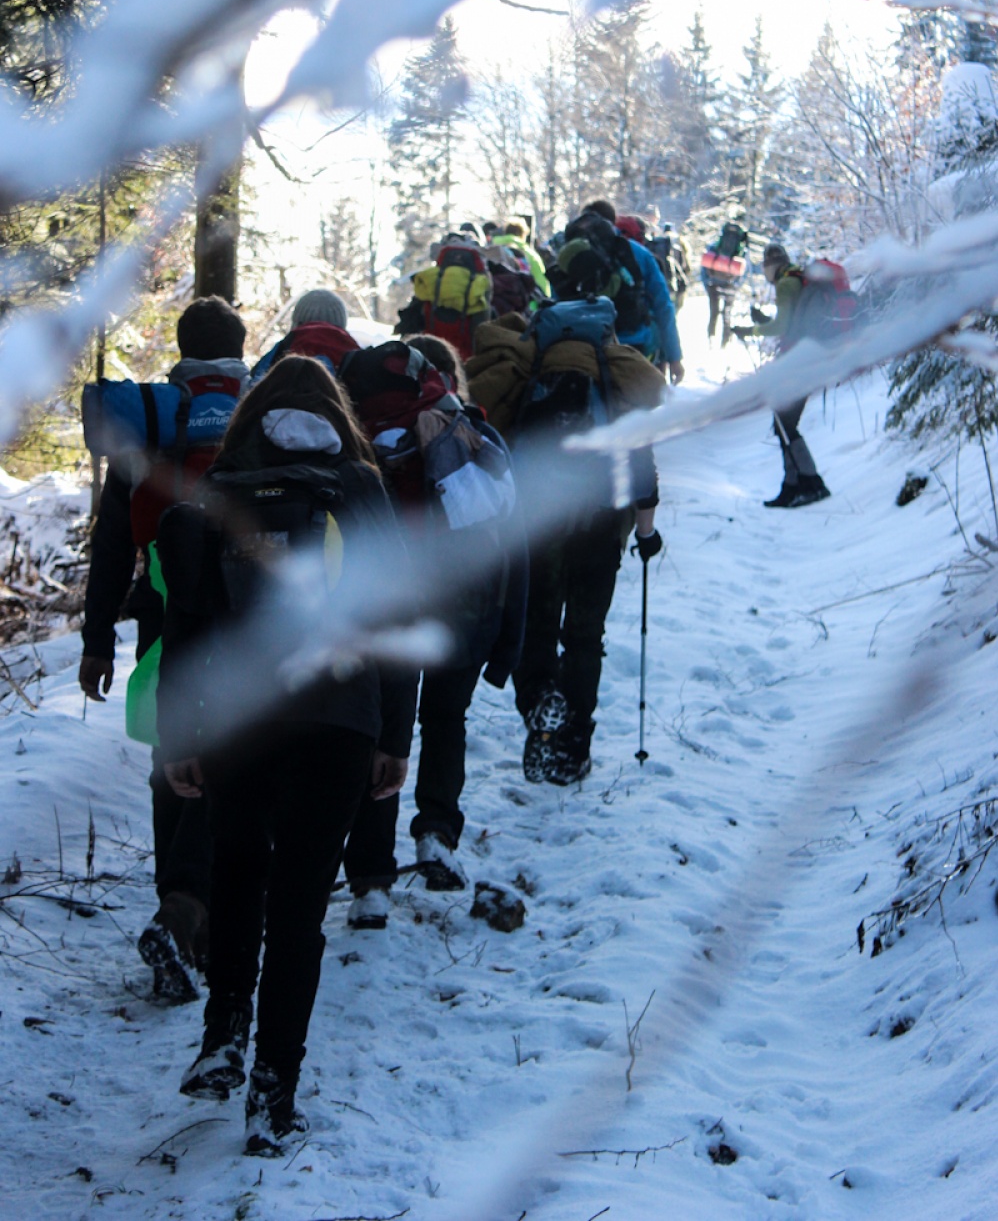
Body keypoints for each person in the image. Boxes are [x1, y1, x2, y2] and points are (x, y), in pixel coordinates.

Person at [156, 355, 416, 1156]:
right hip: (338, 721)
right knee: (299, 909)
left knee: (238, 875)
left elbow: (188, 626)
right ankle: (274, 1096)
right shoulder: (359, 486)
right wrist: (392, 739)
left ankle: (224, 1033)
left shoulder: (224, 486)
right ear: (334, 415)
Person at [79, 295, 248, 1002]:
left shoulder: (149, 423)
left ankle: (177, 910)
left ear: (181, 348)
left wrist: (97, 644)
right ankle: (187, 917)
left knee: (170, 757)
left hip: (163, 617)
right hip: (243, 619)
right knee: (230, 762)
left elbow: (113, 547)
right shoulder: (256, 413)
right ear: (240, 344)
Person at [341, 334, 526, 924]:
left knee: (378, 735)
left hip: (384, 606)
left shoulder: (358, 434)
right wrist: (506, 645)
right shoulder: (466, 432)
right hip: (463, 606)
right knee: (446, 719)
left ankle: (370, 880)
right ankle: (438, 832)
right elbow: (511, 547)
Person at [466, 298, 665, 785]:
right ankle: (573, 746)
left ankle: (538, 707)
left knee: (535, 627)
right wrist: (647, 532)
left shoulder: (527, 371)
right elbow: (642, 468)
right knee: (583, 636)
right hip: (600, 521)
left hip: (538, 523)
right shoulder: (617, 378)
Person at [733, 241, 831, 509]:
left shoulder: (786, 284)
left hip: (800, 362)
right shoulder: (797, 277)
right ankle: (792, 486)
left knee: (785, 423)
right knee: (782, 422)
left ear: (770, 267)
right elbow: (793, 323)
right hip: (810, 357)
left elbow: (782, 326)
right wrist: (763, 319)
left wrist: (750, 330)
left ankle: (812, 484)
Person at [559, 205, 684, 384]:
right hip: (637, 347)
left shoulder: (570, 255)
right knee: (642, 407)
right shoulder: (638, 253)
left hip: (587, 350)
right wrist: (674, 357)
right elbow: (663, 305)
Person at [251, 288, 358, 382]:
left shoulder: (281, 349)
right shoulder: (356, 356)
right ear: (342, 326)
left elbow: (253, 388)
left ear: (296, 323)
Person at [700, 219, 749, 346]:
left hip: (713, 284)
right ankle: (725, 342)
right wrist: (737, 285)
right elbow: (745, 271)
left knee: (713, 312)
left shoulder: (714, 246)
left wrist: (707, 282)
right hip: (731, 285)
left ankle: (710, 338)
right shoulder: (742, 251)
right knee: (727, 314)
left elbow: (704, 268)